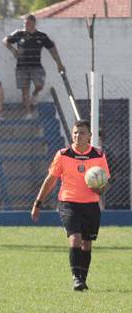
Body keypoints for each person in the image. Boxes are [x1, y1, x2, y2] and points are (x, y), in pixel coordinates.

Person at [31, 120, 110, 291]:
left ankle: (82, 279)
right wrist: (38, 203)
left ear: (89, 136)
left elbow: (104, 186)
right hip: (69, 203)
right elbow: (50, 180)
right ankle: (76, 278)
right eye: (75, 132)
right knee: (75, 239)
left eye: (81, 132)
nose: (77, 135)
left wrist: (98, 187)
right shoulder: (63, 154)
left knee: (87, 244)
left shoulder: (98, 155)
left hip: (90, 205)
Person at [4, 14, 66, 119]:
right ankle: (28, 113)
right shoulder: (19, 33)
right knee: (24, 90)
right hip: (21, 67)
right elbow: (5, 40)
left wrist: (59, 64)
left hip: (36, 66)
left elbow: (52, 49)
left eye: (27, 23)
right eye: (24, 23)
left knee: (39, 85)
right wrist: (13, 50)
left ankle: (35, 94)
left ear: (33, 23)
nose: (26, 25)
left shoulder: (41, 36)